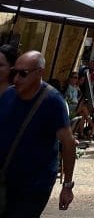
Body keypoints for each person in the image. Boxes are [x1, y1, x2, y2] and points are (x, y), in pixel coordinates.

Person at [0, 50, 76, 216]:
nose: (16, 79)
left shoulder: (53, 102)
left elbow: (69, 143)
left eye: (23, 74)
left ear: (39, 73)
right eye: (15, 72)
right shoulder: (8, 95)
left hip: (34, 186)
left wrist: (67, 186)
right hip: (6, 179)